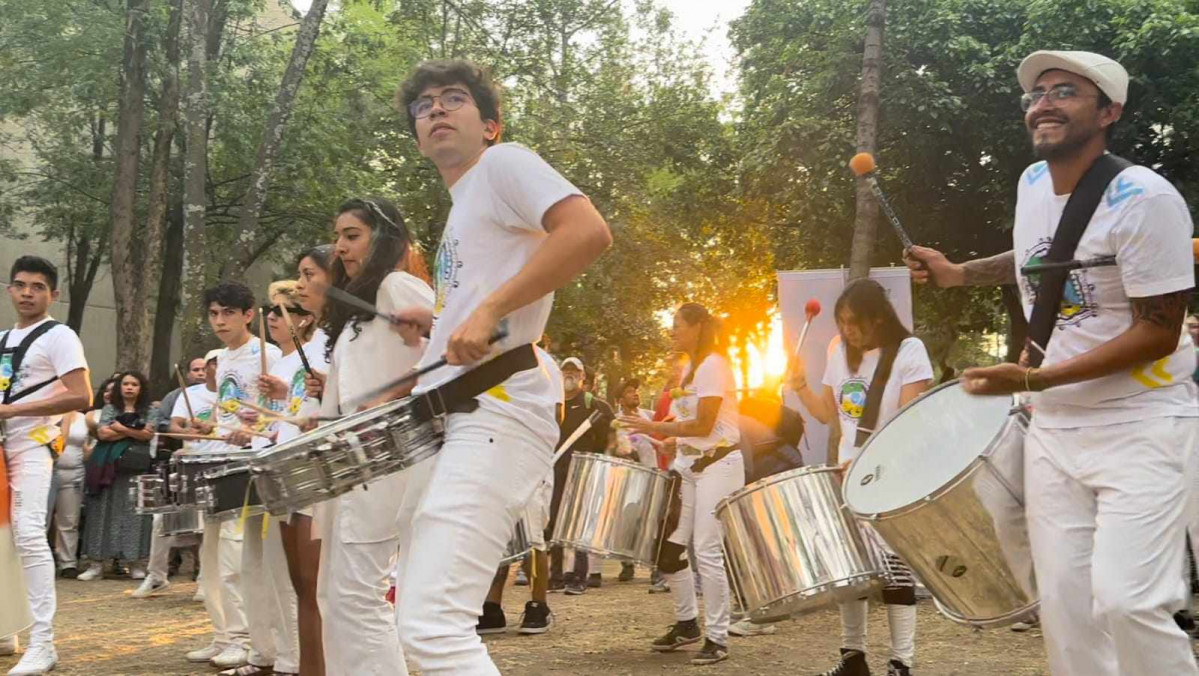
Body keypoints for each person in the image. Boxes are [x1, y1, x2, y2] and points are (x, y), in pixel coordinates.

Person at [906, 51, 1199, 675]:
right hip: (1056, 427)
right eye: (1035, 95)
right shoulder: (1033, 184)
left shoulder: (1146, 198)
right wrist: (961, 275)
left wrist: (1036, 376)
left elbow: (1158, 330)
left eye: (1065, 92)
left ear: (1109, 111)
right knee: (1064, 609)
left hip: (1142, 423)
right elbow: (1040, 255)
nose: (1043, 104)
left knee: (1128, 602)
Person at [389, 59, 611, 675]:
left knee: (432, 625)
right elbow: (485, 313)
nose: (435, 109)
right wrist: (439, 334)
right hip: (462, 414)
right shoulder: (464, 208)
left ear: (490, 125)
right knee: (413, 612)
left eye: (453, 99)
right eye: (423, 104)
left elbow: (589, 231)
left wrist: (489, 308)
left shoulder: (504, 163)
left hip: (499, 409)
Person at [310, 197, 433, 676]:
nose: (339, 246)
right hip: (348, 461)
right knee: (335, 596)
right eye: (338, 236)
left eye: (352, 235)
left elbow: (451, 346)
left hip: (383, 457)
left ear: (383, 238)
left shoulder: (398, 284)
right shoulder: (360, 307)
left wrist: (394, 392)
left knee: (359, 595)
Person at [785, 279, 933, 676]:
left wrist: (871, 461)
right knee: (849, 569)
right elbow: (825, 414)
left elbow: (912, 422)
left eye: (854, 323)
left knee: (894, 570)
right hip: (848, 475)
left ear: (879, 318)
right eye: (842, 322)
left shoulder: (908, 351)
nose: (847, 330)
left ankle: (902, 661)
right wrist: (799, 384)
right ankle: (853, 657)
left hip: (892, 473)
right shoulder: (839, 351)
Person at [617, 303, 743, 666]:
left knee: (705, 548)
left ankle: (717, 637)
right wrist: (672, 438)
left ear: (699, 326)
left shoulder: (715, 365)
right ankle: (688, 624)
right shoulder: (690, 369)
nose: (672, 331)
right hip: (689, 466)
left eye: (678, 325)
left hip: (719, 466)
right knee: (670, 551)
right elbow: (689, 422)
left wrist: (655, 428)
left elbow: (705, 426)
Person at [0, 255, 92, 676]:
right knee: (3, 539)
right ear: (9, 289)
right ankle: (7, 628)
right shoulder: (3, 339)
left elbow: (81, 395)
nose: (27, 293)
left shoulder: (60, 336)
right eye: (20, 285)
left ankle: (44, 643)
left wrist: (12, 411)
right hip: (3, 451)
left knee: (31, 535)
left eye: (37, 286)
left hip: (34, 446)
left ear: (53, 294)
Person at [184, 281, 280, 671]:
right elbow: (227, 411)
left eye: (228, 313)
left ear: (248, 313)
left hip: (250, 463)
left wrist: (256, 428)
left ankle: (245, 639)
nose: (219, 321)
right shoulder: (221, 359)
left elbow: (279, 411)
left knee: (234, 556)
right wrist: (209, 428)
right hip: (218, 459)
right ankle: (222, 634)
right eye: (213, 313)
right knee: (209, 555)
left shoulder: (268, 355)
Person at [476, 346, 563, 636]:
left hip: (530, 457)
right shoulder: (492, 358)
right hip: (495, 457)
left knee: (533, 537)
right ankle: (492, 606)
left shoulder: (546, 364)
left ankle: (537, 605)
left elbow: (557, 414)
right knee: (497, 535)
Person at [282, 244, 333, 676]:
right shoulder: (311, 340)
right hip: (295, 464)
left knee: (319, 587)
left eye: (308, 274)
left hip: (327, 470)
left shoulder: (342, 339)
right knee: (300, 586)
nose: (299, 284)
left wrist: (332, 387)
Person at [132, 357, 207, 599]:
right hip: (185, 465)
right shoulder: (181, 396)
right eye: (196, 369)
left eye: (206, 368)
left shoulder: (230, 394)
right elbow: (169, 426)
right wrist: (187, 434)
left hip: (216, 464)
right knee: (160, 520)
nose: (202, 373)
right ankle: (156, 577)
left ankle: (206, 579)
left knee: (208, 526)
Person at [78, 371, 158, 582]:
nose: (129, 388)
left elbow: (148, 435)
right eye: (125, 384)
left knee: (134, 514)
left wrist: (121, 427)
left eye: (134, 384)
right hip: (107, 467)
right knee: (102, 512)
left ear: (141, 388)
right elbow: (103, 434)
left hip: (136, 468)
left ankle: (135, 563)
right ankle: (96, 564)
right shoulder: (109, 408)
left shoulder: (150, 410)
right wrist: (135, 430)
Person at [549, 357, 614, 595]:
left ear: (582, 377)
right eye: (565, 370)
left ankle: (579, 576)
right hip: (555, 469)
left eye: (574, 371)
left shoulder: (592, 404)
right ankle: (555, 576)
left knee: (578, 522)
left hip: (582, 470)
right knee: (554, 521)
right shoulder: (553, 403)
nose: (569, 375)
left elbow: (610, 436)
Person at [611, 378, 662, 584]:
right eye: (630, 392)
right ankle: (627, 563)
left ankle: (655, 567)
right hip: (628, 477)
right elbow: (612, 447)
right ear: (620, 400)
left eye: (636, 391)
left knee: (653, 522)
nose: (635, 394)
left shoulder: (649, 417)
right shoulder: (615, 422)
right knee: (627, 522)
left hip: (652, 473)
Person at [47, 402, 91, 580]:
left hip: (75, 471)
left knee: (70, 520)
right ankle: (42, 563)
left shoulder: (83, 418)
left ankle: (68, 562)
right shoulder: (48, 416)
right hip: (50, 470)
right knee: (43, 519)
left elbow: (88, 444)